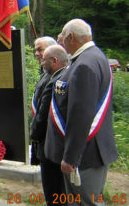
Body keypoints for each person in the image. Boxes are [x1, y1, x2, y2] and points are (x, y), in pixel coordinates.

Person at [45, 19, 118, 205]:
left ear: (70, 37)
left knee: (84, 202)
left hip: (84, 155)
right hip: (90, 150)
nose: (59, 39)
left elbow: (81, 116)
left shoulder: (84, 64)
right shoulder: (94, 57)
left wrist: (70, 157)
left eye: (61, 34)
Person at [31, 45, 68, 205]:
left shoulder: (55, 81)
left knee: (53, 191)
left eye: (44, 60)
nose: (42, 63)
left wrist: (34, 134)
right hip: (54, 143)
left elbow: (44, 114)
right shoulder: (57, 76)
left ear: (54, 61)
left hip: (49, 144)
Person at [31, 36, 57, 165]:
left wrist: (35, 131)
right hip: (41, 139)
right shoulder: (44, 74)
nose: (37, 54)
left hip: (49, 139)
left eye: (40, 50)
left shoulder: (56, 76)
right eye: (35, 50)